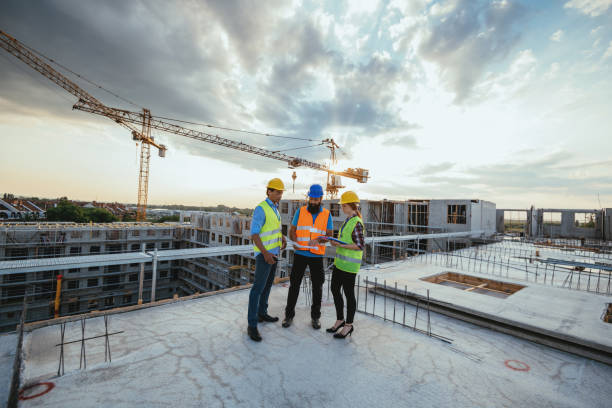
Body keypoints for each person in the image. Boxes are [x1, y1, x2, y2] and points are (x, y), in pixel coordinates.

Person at [282, 184, 333, 330]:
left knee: (317, 287)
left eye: (316, 199)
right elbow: (293, 230)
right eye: (311, 198)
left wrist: (318, 240)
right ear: (308, 197)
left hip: (316, 255)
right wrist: (294, 242)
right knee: (294, 285)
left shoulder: (326, 214)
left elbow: (329, 235)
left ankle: (315, 317)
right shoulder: (301, 211)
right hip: (300, 254)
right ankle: (289, 315)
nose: (313, 201)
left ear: (321, 199)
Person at [247, 178, 287, 342]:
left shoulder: (275, 209)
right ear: (268, 191)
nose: (279, 195)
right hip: (265, 256)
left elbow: (271, 230)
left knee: (267, 286)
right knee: (257, 289)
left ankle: (262, 313)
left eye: (281, 193)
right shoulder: (261, 209)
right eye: (277, 192)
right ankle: (252, 325)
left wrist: (282, 237)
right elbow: (254, 234)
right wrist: (265, 253)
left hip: (274, 254)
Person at [325, 191, 364, 339]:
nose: (342, 207)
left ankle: (348, 325)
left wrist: (341, 245)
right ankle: (340, 319)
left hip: (349, 266)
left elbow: (359, 245)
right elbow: (346, 241)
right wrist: (336, 242)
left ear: (351, 206)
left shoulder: (357, 223)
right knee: (334, 289)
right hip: (340, 264)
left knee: (349, 294)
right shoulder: (347, 220)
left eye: (344, 205)